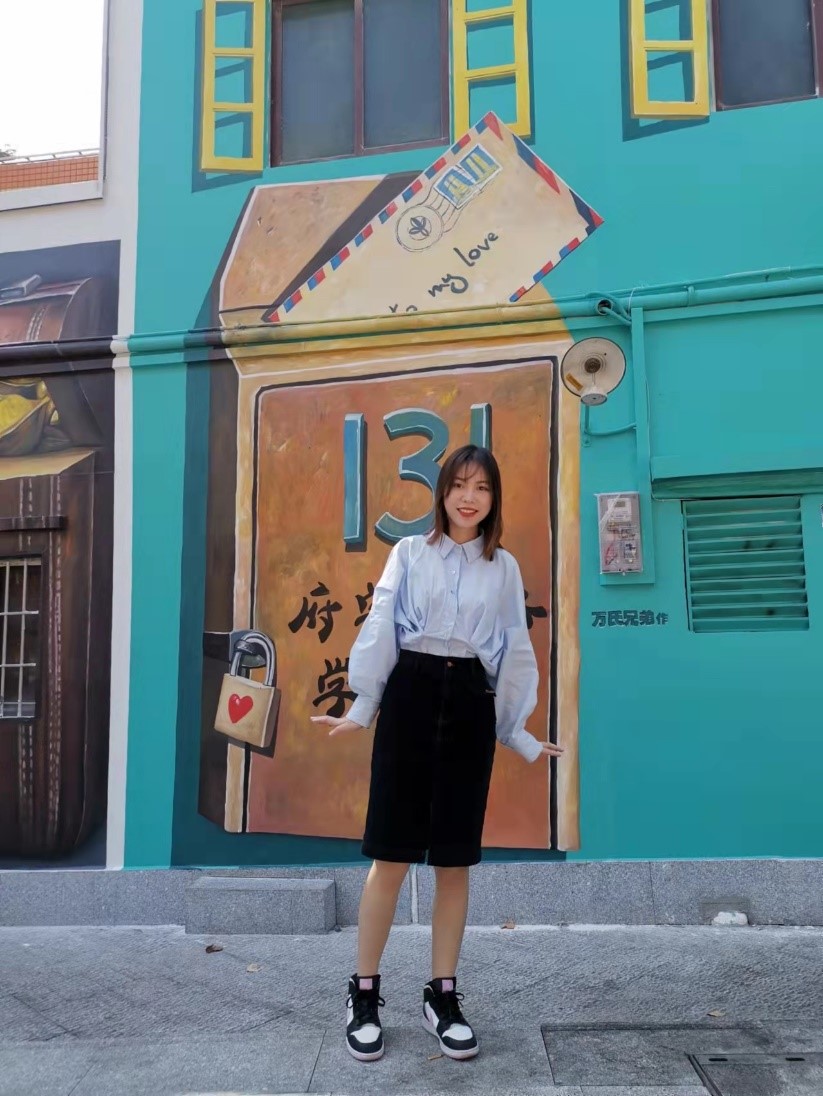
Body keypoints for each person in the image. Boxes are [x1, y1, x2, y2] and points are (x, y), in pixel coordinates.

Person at [311, 444, 564, 1063]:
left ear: (494, 498)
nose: (468, 498)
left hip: (470, 701)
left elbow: (513, 649)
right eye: (459, 485)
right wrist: (363, 707)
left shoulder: (502, 567)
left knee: (454, 860)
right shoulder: (408, 552)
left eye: (481, 487)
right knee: (390, 854)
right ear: (443, 491)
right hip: (412, 692)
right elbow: (381, 625)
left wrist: (518, 731)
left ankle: (442, 996)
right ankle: (363, 993)